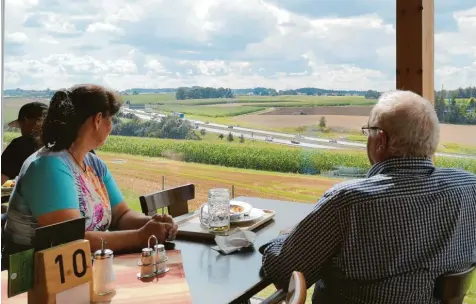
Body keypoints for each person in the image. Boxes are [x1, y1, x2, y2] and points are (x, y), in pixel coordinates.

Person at [261, 90, 476, 303]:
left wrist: (285, 238)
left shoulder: (349, 201)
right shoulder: (469, 187)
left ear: (381, 139)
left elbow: (283, 270)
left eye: (369, 131)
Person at [5, 84, 178, 254]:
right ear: (98, 119)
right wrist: (140, 236)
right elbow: (71, 241)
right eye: (110, 119)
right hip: (34, 275)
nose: (111, 127)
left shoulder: (94, 163)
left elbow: (121, 215)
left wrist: (154, 224)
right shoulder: (48, 167)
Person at [1, 102, 47, 185]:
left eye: (20, 126)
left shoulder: (20, 145)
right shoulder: (60, 143)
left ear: (25, 120)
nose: (21, 131)